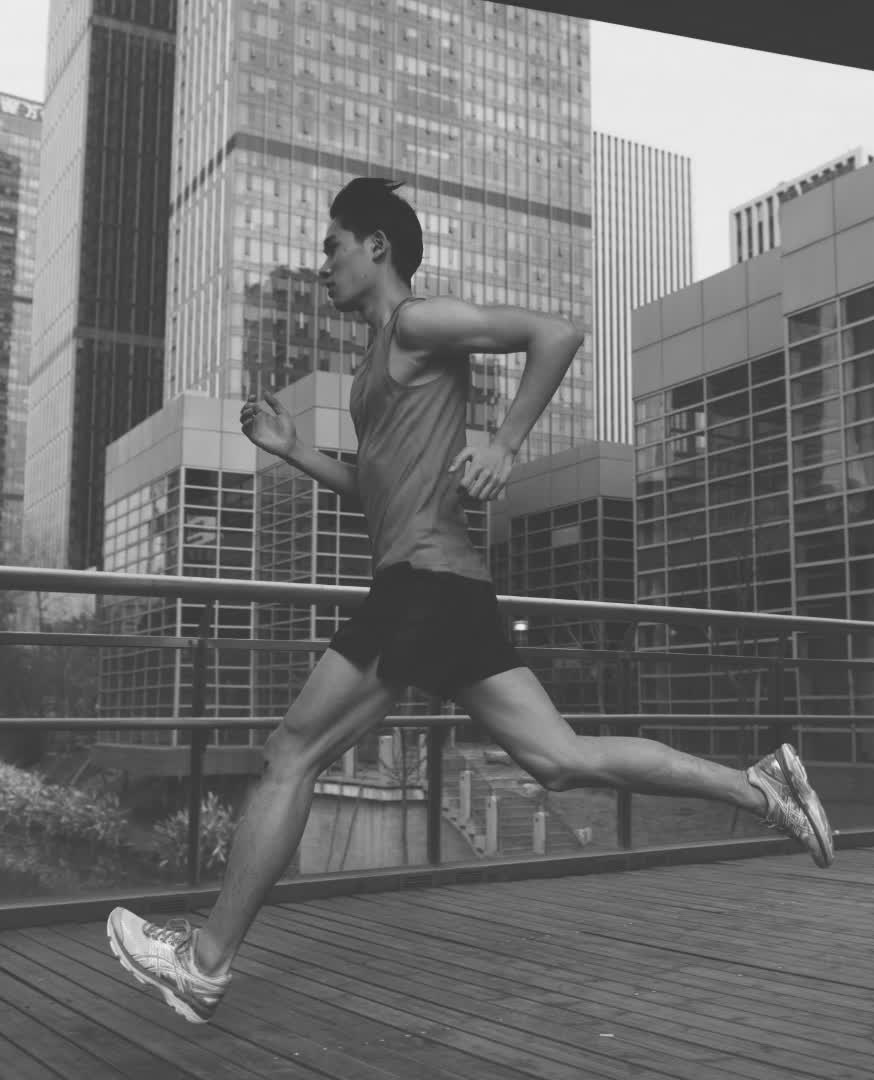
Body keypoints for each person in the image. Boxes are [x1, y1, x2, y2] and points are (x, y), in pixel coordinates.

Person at [107, 177, 834, 1025]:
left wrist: (505, 443)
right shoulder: (374, 367)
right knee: (559, 759)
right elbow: (380, 491)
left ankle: (203, 964)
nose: (323, 265)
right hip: (444, 586)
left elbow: (557, 333)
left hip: (421, 584)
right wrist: (296, 451)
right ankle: (761, 787)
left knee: (290, 752)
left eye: (332, 246)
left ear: (377, 245)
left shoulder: (417, 324)